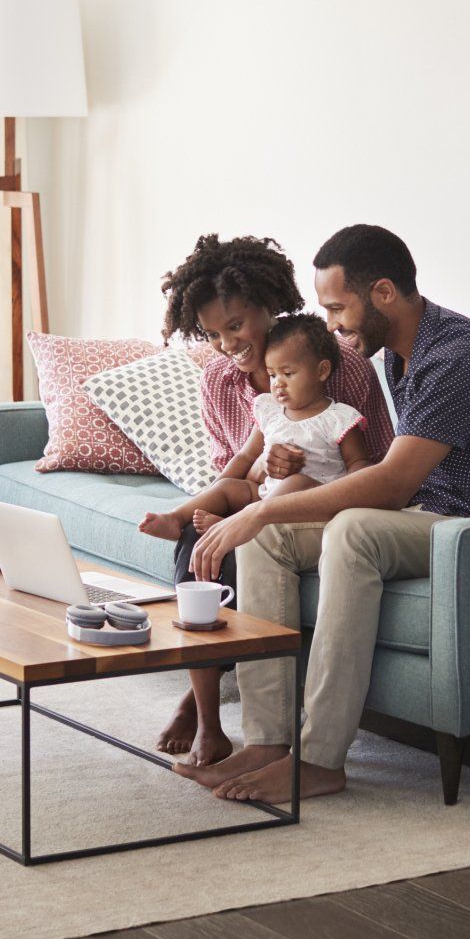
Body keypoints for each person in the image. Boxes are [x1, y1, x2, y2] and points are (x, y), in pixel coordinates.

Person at [178, 224, 470, 803]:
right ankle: (268, 742)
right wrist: (263, 514)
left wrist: (256, 512)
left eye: (337, 308)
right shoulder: (402, 356)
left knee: (351, 530)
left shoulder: (457, 357)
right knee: (266, 539)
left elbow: (388, 484)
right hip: (436, 515)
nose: (331, 325)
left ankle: (319, 761)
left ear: (383, 292)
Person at [152, 235, 395, 766]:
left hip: (320, 501)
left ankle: (201, 702)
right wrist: (262, 472)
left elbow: (371, 465)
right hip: (255, 495)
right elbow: (233, 468)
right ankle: (209, 721)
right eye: (213, 334)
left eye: (236, 326)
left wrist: (289, 477)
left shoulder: (341, 367)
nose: (227, 345)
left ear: (269, 306)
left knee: (243, 540)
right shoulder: (217, 378)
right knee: (199, 540)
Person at [140, 313, 373, 540]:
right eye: (272, 375)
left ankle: (235, 524)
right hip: (266, 494)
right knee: (230, 487)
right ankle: (175, 518)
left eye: (288, 374)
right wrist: (217, 488)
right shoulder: (270, 410)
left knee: (297, 481)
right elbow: (245, 456)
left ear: (322, 371)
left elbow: (359, 463)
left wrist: (348, 496)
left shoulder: (339, 418)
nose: (278, 384)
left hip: (313, 502)